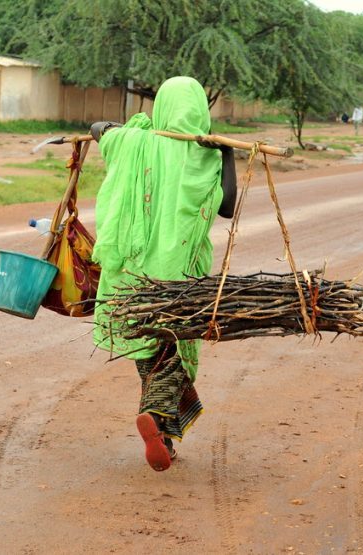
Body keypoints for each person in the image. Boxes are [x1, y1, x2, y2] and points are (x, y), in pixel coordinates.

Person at [89, 76, 238, 472]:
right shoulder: (202, 153)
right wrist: (225, 154)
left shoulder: (131, 142)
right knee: (174, 356)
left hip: (130, 276)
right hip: (178, 279)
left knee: (150, 353)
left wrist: (127, 129)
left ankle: (164, 439)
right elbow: (227, 208)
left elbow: (97, 129)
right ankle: (155, 419)